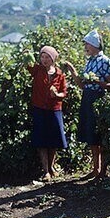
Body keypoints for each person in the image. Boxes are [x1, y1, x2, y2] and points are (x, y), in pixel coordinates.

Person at [63, 29, 110, 180]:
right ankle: (95, 169)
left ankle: (103, 170)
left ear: (94, 45)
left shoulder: (104, 61)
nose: (85, 47)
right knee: (92, 135)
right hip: (88, 98)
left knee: (100, 134)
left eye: (87, 44)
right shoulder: (90, 62)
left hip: (98, 99)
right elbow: (82, 85)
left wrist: (97, 81)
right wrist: (72, 71)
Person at [27, 45, 68, 182]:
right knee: (41, 140)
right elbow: (27, 64)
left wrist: (56, 94)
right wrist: (26, 55)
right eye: (42, 57)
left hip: (55, 109)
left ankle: (51, 167)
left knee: (53, 140)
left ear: (53, 59)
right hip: (39, 109)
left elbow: (64, 93)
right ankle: (46, 171)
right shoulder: (37, 70)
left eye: (47, 57)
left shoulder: (59, 74)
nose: (44, 60)